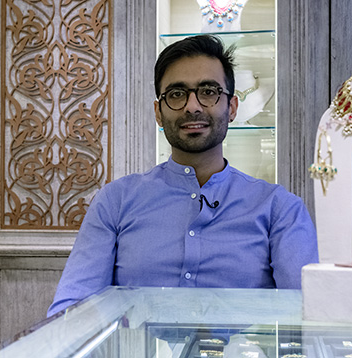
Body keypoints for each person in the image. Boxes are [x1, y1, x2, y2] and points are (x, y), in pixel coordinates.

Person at [47, 34, 318, 317]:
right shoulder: (116, 202)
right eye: (176, 94)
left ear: (233, 107)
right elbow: (71, 311)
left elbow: (306, 317)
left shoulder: (279, 209)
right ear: (158, 112)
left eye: (209, 91)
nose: (192, 106)